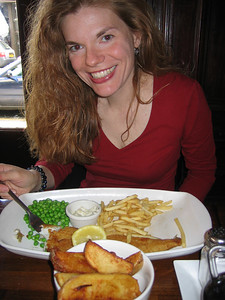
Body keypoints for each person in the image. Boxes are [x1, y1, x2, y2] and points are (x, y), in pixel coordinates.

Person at [0, 0, 216, 202]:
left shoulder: (183, 95)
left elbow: (202, 172)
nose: (91, 60)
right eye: (76, 46)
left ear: (136, 36)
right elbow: (60, 161)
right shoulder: (70, 95)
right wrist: (35, 178)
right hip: (89, 220)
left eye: (106, 37)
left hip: (155, 226)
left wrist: (177, 215)